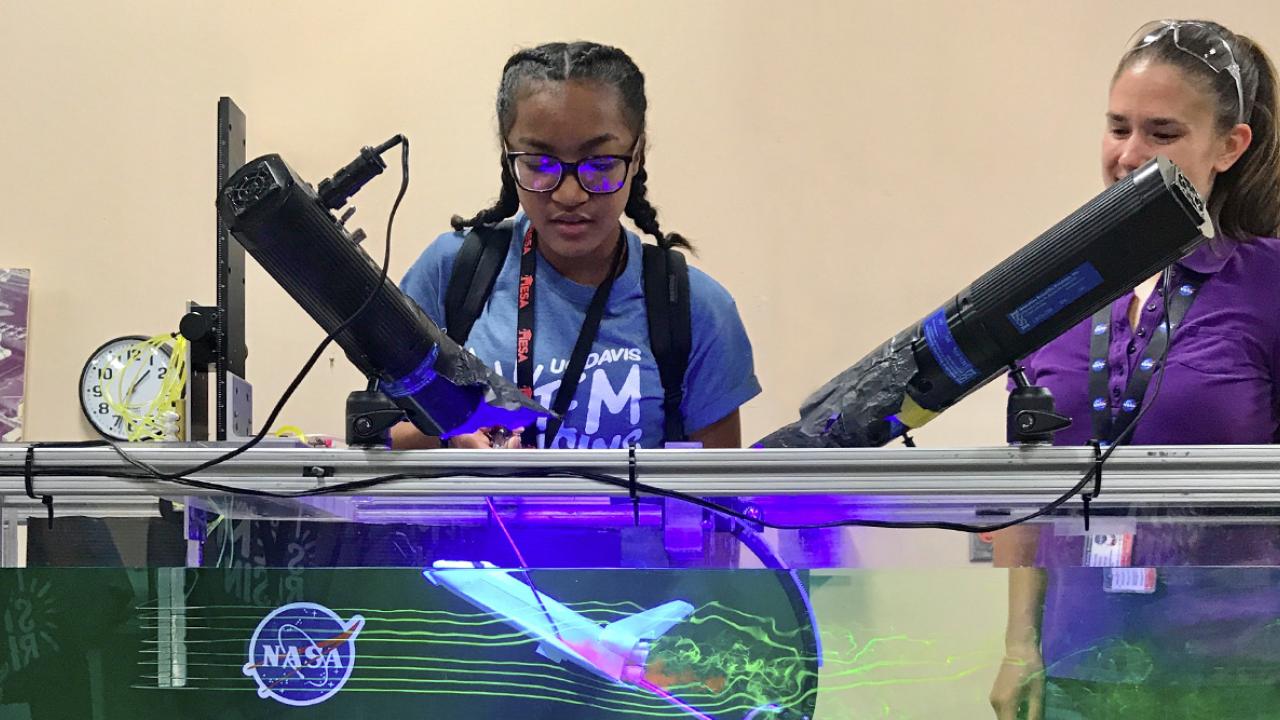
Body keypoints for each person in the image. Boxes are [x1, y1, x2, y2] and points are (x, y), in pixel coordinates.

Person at [990, 19, 1280, 720]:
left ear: (1230, 146)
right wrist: (1019, 647)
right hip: (1078, 668)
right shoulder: (1049, 288)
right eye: (1118, 127)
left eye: (1162, 132)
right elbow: (1031, 491)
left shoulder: (1269, 284)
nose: (1129, 155)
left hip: (1237, 674)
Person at [394, 41, 759, 451]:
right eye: (539, 163)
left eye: (600, 164)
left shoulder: (697, 310)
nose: (569, 195)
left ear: (636, 155)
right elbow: (380, 433)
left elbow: (715, 501)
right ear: (507, 154)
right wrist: (453, 432)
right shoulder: (451, 271)